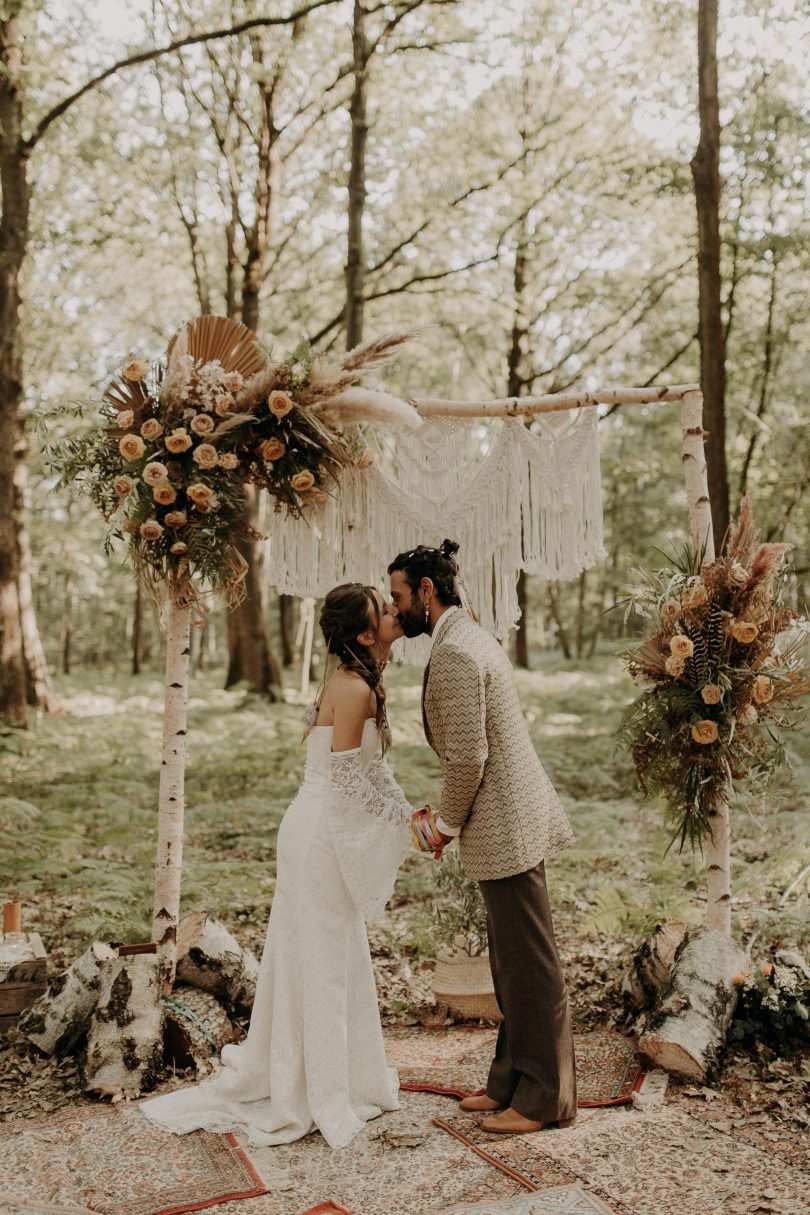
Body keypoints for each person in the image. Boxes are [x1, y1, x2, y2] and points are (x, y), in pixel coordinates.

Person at [140, 584, 412, 1150]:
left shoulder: (355, 678)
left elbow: (358, 775)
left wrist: (404, 813)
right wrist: (407, 821)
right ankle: (314, 1090)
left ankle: (329, 1075)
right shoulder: (355, 687)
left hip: (316, 825)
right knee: (321, 956)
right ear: (365, 634)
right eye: (382, 610)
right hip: (319, 834)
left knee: (329, 950)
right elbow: (347, 781)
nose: (393, 611)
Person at [389, 540, 578, 1136]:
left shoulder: (455, 652)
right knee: (509, 959)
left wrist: (443, 825)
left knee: (530, 963)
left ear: (426, 590)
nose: (394, 610)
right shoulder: (465, 636)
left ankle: (545, 1099)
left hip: (506, 821)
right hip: (504, 817)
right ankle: (510, 1080)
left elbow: (469, 757)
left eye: (398, 596)